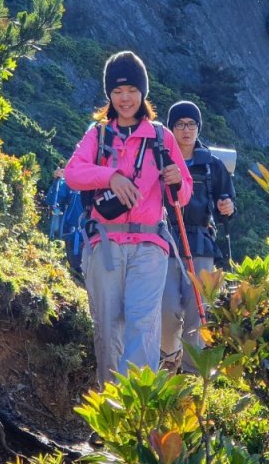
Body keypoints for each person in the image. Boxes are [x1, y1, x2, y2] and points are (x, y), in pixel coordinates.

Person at [65, 51, 192, 388]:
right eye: (118, 91)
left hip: (150, 244)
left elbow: (183, 196)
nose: (125, 98)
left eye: (132, 90)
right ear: (109, 94)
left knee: (142, 323)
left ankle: (135, 411)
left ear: (143, 93)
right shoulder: (99, 134)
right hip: (105, 242)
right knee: (107, 326)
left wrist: (176, 179)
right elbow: (73, 173)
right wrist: (110, 178)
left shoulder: (161, 137)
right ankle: (110, 408)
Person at [161, 100, 235, 374]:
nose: (186, 130)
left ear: (198, 127)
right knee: (166, 307)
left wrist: (227, 207)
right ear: (171, 128)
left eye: (191, 124)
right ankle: (170, 360)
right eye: (180, 124)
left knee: (197, 310)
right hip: (166, 241)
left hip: (201, 242)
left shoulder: (212, 165)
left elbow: (227, 204)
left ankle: (192, 376)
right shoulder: (160, 160)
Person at [44, 167, 85, 275]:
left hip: (93, 239)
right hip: (71, 235)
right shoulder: (69, 183)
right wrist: (57, 181)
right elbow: (52, 201)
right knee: (76, 269)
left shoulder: (98, 184)